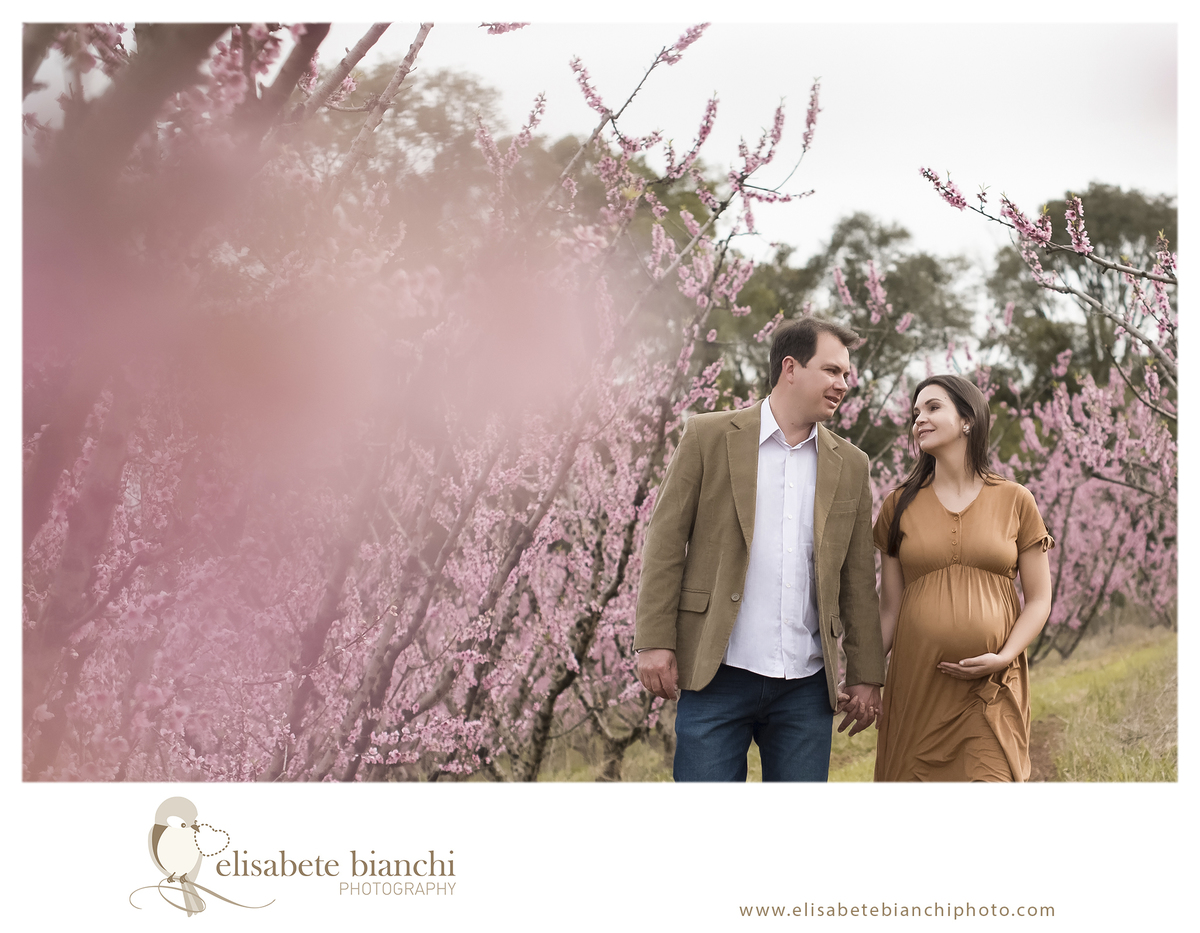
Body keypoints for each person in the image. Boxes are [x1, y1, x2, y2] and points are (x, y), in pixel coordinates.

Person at [634, 317, 885, 781]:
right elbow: (665, 543)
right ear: (790, 368)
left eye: (846, 375)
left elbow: (856, 577)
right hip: (717, 673)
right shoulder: (707, 436)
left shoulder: (851, 464)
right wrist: (653, 640)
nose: (843, 384)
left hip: (806, 688)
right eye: (832, 371)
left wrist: (867, 672)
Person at [872, 374, 1054, 782]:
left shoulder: (1015, 499)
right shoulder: (897, 505)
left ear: (968, 420)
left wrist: (1005, 655)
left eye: (933, 407)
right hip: (916, 687)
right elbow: (890, 609)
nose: (919, 418)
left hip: (991, 686)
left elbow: (1039, 599)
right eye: (916, 412)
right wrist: (864, 678)